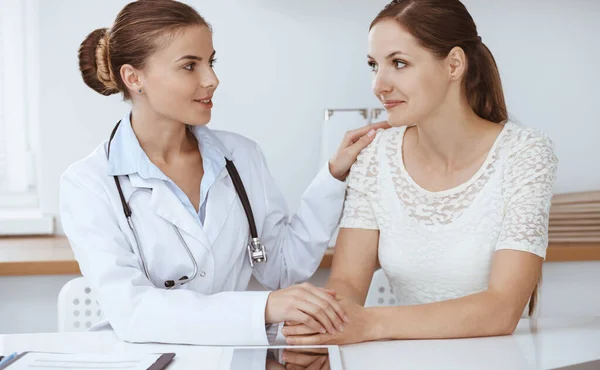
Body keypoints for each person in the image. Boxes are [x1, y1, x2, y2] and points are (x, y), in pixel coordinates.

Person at [59, 0, 387, 346]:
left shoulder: (240, 157)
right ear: (133, 77)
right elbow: (133, 312)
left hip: (231, 355)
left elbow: (282, 268)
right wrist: (263, 308)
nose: (212, 80)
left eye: (210, 62)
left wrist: (334, 175)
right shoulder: (89, 184)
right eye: (190, 66)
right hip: (140, 359)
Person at [282, 0, 558, 346]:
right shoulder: (376, 156)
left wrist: (368, 324)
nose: (379, 85)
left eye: (399, 63)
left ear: (454, 65)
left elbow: (501, 309)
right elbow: (349, 283)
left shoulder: (525, 154)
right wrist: (324, 326)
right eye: (373, 66)